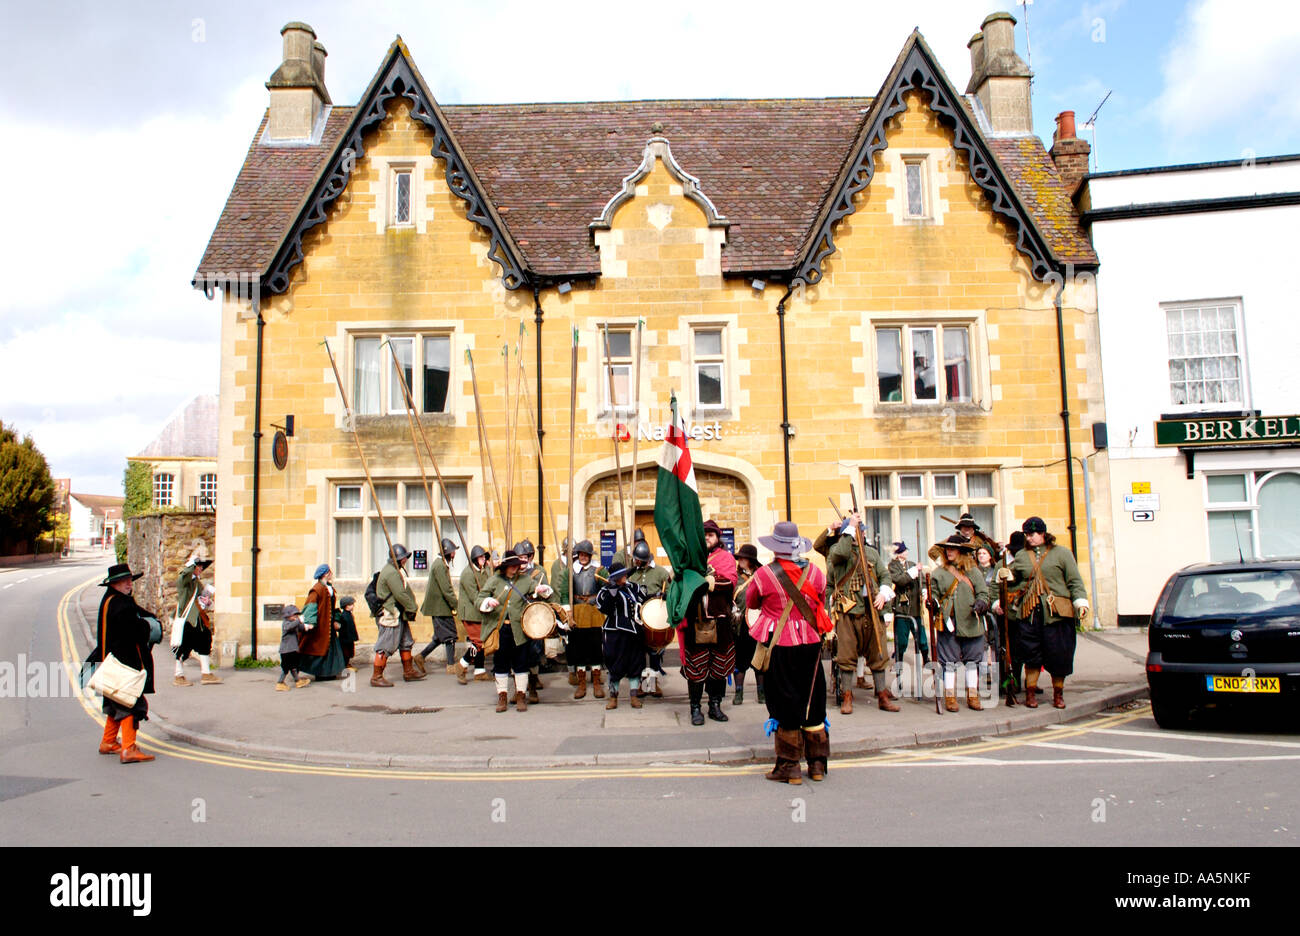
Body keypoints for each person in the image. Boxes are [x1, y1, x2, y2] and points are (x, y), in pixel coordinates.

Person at [746, 522, 832, 783]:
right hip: (810, 641)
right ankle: (817, 764)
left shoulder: (764, 575)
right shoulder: (816, 572)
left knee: (784, 699)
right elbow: (821, 598)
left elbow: (751, 601)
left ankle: (789, 766)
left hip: (778, 643)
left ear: (775, 548)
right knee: (812, 699)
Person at [996, 517, 1089, 708]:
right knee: (1031, 656)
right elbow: (1015, 580)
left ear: (1043, 534)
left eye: (1032, 534)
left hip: (1057, 614)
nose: (1029, 538)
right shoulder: (1021, 555)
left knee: (1059, 656)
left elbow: (1074, 581)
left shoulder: (1062, 554)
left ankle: (1058, 694)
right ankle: (1030, 694)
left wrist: (1080, 603)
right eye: (1027, 535)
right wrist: (1005, 576)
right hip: (1029, 615)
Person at [815, 512, 898, 714]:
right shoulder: (838, 550)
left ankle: (882, 695)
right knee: (846, 656)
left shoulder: (872, 554)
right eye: (856, 531)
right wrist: (848, 529)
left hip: (871, 610)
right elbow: (838, 557)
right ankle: (847, 696)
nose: (860, 534)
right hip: (847, 613)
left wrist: (885, 594)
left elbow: (884, 576)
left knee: (878, 654)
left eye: (860, 531)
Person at [87, 563, 158, 764]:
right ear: (114, 583)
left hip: (111, 661)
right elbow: (136, 629)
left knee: (114, 700)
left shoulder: (111, 599)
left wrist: (148, 617)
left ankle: (108, 742)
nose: (129, 583)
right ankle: (129, 748)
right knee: (131, 703)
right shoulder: (122, 604)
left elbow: (136, 612)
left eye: (130, 580)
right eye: (124, 580)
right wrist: (150, 625)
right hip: (124, 663)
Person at [680, 519, 736, 726]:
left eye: (710, 535)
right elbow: (681, 581)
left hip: (719, 621)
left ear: (717, 537)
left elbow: (730, 581)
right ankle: (695, 707)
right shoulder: (690, 558)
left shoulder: (726, 558)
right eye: (703, 535)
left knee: (718, 667)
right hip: (695, 621)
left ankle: (715, 705)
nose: (706, 538)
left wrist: (711, 581)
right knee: (696, 668)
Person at [478, 549, 547, 712]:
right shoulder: (494, 580)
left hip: (519, 629)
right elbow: (480, 598)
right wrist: (488, 601)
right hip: (500, 628)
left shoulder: (524, 580)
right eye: (512, 565)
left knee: (521, 663)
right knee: (501, 663)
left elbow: (537, 591)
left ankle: (521, 696)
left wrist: (541, 591)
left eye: (517, 565)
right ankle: (502, 697)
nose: (516, 568)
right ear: (505, 566)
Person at [928, 535, 990, 711]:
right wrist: (932, 602)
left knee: (972, 661)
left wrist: (981, 603)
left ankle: (972, 696)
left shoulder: (974, 572)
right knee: (948, 662)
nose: (949, 551)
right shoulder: (938, 573)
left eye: (953, 549)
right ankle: (950, 698)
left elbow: (983, 593)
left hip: (972, 622)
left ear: (961, 551)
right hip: (949, 623)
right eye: (947, 549)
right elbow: (934, 595)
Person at [372, 544, 425, 687]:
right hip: (390, 613)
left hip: (398, 613)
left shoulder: (395, 570)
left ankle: (408, 671)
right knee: (385, 645)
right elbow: (400, 594)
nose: (405, 560)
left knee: (406, 642)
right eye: (403, 558)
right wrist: (412, 607)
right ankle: (376, 676)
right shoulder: (391, 572)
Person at [597, 561, 645, 710]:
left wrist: (658, 596)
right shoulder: (605, 591)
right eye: (622, 575)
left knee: (635, 663)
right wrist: (612, 594)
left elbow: (644, 600)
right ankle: (613, 697)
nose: (625, 576)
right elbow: (605, 610)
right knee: (614, 664)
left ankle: (634, 696)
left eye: (625, 574)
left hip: (635, 631)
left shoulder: (633, 588)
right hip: (615, 632)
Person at [564, 540, 608, 700]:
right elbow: (564, 592)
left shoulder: (599, 570)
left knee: (596, 647)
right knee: (579, 649)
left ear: (590, 556)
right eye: (581, 554)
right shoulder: (570, 572)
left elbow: (607, 589)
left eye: (586, 554)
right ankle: (582, 684)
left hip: (594, 611)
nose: (583, 557)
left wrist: (600, 603)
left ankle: (596, 682)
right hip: (577, 612)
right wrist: (568, 614)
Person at [627, 540, 671, 697]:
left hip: (654, 616)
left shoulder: (660, 572)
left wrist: (666, 596)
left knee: (654, 653)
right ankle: (640, 683)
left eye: (638, 559)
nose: (636, 561)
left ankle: (652, 684)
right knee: (638, 653)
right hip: (638, 616)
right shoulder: (632, 574)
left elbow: (671, 591)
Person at [513, 539, 553, 701]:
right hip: (517, 616)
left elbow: (547, 594)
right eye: (520, 557)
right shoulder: (511, 573)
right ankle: (519, 688)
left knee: (534, 651)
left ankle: (533, 684)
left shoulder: (538, 572)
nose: (523, 560)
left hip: (534, 616)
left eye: (525, 557)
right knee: (517, 653)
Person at [887, 541, 930, 689]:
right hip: (902, 610)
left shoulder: (912, 563)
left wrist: (924, 590)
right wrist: (914, 571)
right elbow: (900, 580)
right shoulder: (893, 566)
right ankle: (898, 667)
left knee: (922, 639)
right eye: (903, 551)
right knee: (901, 642)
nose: (905, 553)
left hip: (916, 609)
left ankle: (926, 658)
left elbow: (923, 580)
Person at [172, 554, 219, 686]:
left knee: (205, 641)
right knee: (183, 646)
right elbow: (184, 575)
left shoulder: (197, 582)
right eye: (198, 566)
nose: (200, 569)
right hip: (187, 619)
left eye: (201, 566)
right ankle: (178, 675)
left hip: (198, 618)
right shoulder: (184, 580)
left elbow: (200, 599)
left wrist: (207, 601)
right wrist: (191, 564)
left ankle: (206, 673)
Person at [416, 539, 459, 676]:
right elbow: (446, 589)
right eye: (452, 551)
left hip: (440, 606)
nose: (454, 554)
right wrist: (455, 604)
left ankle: (421, 656)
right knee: (450, 635)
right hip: (440, 607)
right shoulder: (440, 565)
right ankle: (451, 665)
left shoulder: (441, 564)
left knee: (441, 636)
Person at [453, 545, 494, 684]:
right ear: (475, 559)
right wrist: (487, 604)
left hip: (480, 611)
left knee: (480, 640)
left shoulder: (485, 571)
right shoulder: (468, 574)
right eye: (481, 557)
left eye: (484, 557)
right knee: (478, 642)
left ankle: (479, 670)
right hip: (470, 613)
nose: (483, 559)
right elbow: (474, 597)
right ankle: (462, 664)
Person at [300, 563, 347, 681]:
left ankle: (329, 672)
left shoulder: (328, 587)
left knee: (330, 649)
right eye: (330, 572)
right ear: (326, 574)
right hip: (321, 626)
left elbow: (332, 606)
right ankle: (320, 673)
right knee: (319, 648)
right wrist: (311, 622)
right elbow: (310, 606)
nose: (331, 574)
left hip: (328, 625)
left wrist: (336, 619)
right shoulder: (317, 589)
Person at [731, 543, 764, 705]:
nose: (740, 560)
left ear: (751, 560)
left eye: (744, 558)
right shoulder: (735, 577)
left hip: (759, 623)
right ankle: (738, 693)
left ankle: (761, 693)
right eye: (740, 558)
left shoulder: (761, 576)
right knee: (740, 662)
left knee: (759, 661)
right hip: (740, 625)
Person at [277, 603, 310, 691]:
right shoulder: (286, 623)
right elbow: (289, 627)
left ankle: (298, 681)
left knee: (293, 667)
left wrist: (307, 626)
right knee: (286, 668)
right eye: (294, 615)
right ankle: (280, 683)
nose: (296, 616)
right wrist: (298, 620)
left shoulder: (293, 623)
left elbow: (299, 627)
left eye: (297, 615)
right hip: (286, 651)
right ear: (288, 615)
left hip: (292, 650)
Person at [334, 595, 359, 671]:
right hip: (345, 638)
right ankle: (345, 665)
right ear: (346, 606)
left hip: (349, 637)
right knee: (346, 653)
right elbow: (341, 627)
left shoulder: (349, 614)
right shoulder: (344, 615)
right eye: (351, 604)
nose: (353, 606)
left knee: (350, 651)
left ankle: (347, 664)